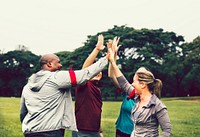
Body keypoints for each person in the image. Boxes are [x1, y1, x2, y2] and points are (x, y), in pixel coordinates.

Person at [19, 40, 110, 137]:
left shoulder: (27, 86)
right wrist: (107, 57)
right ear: (49, 64)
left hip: (30, 131)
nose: (61, 65)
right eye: (58, 62)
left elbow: (23, 112)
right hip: (51, 131)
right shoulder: (56, 77)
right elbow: (85, 74)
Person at [108, 37, 172, 137]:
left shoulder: (157, 106)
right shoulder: (137, 98)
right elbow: (123, 82)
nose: (132, 84)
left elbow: (167, 130)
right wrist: (112, 61)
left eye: (134, 81)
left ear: (143, 84)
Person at [72, 35, 105, 137]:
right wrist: (97, 49)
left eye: (99, 71)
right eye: (94, 71)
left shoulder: (97, 89)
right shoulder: (84, 84)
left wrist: (100, 131)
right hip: (82, 131)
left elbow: (96, 111)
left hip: (95, 131)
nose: (97, 73)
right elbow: (84, 70)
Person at [108, 38, 135, 137]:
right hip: (121, 131)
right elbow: (111, 75)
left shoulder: (148, 99)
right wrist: (114, 54)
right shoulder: (128, 91)